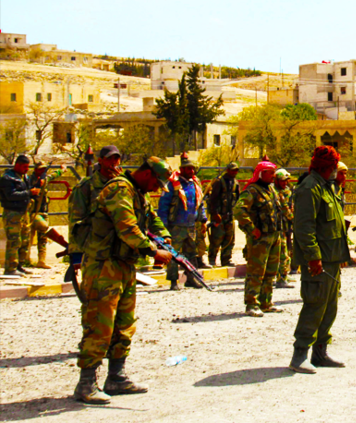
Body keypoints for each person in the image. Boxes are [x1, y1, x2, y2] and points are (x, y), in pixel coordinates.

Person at [73, 157, 173, 404]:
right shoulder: (119, 188)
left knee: (124, 323)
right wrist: (152, 250)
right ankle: (86, 384)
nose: (157, 189)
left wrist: (164, 236)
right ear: (147, 175)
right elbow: (126, 226)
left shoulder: (139, 193)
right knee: (100, 324)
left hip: (124, 264)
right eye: (157, 184)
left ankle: (116, 377)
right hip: (103, 265)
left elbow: (152, 218)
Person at [289, 146, 350, 374]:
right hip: (318, 261)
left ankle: (320, 353)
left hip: (332, 260)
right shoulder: (309, 188)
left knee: (330, 307)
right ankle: (300, 354)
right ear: (326, 167)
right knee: (314, 305)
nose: (336, 171)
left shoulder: (327, 187)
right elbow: (304, 228)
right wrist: (313, 257)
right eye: (334, 167)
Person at [234, 161, 284, 316]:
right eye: (269, 172)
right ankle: (251, 303)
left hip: (274, 236)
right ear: (261, 174)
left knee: (271, 271)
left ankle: (266, 302)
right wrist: (251, 229)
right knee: (256, 271)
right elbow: (239, 210)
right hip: (259, 238)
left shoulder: (271, 190)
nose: (272, 175)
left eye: (273, 172)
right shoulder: (252, 191)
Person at [69, 146, 123, 278]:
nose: (113, 162)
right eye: (109, 159)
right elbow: (76, 221)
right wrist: (76, 255)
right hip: (95, 247)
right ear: (100, 161)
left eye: (116, 159)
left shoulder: (124, 184)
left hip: (119, 245)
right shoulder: (86, 186)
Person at [158, 154, 208, 291]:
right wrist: (163, 227)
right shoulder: (173, 184)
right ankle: (173, 281)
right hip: (176, 226)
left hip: (191, 225)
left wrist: (203, 219)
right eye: (187, 169)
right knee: (174, 254)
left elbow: (200, 203)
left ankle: (191, 278)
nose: (190, 171)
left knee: (192, 254)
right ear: (182, 170)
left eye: (192, 169)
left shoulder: (195, 184)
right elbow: (163, 206)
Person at [1, 155, 38, 276]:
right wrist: (28, 192)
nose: (27, 169)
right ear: (17, 165)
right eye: (24, 167)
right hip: (12, 213)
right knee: (14, 240)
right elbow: (10, 195)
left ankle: (19, 265)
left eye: (28, 167)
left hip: (23, 212)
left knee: (24, 240)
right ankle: (10, 268)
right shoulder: (7, 178)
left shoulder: (24, 177)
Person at [26, 161, 66, 269]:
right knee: (40, 230)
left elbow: (53, 175)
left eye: (43, 169)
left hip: (44, 211)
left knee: (42, 238)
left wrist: (62, 170)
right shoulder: (29, 180)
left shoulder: (44, 179)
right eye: (40, 169)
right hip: (34, 212)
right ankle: (25, 260)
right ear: (35, 169)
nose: (42, 171)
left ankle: (41, 261)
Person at [206, 162, 240, 267]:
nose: (234, 172)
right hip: (219, 215)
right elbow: (213, 199)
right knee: (216, 238)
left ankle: (226, 259)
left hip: (230, 215)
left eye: (236, 170)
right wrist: (215, 213)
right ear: (228, 170)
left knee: (229, 239)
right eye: (232, 170)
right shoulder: (219, 182)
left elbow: (237, 199)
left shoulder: (235, 183)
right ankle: (212, 259)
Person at [274, 168, 296, 288]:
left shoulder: (287, 191)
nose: (285, 183)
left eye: (286, 181)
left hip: (285, 226)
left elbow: (290, 206)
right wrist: (292, 217)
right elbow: (284, 209)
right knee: (282, 253)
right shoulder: (273, 192)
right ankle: (281, 278)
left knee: (287, 250)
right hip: (277, 226)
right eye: (282, 181)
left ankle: (284, 274)